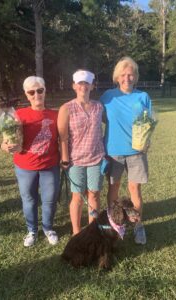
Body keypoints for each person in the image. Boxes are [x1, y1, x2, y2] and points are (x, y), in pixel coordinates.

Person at [1, 76, 60, 247]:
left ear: (45, 91)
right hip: (25, 167)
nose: (36, 95)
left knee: (49, 200)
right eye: (31, 92)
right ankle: (32, 230)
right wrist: (7, 146)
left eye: (39, 90)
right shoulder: (18, 115)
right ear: (26, 95)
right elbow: (6, 141)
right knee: (29, 200)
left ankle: (48, 228)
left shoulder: (55, 115)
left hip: (50, 166)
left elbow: (64, 138)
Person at [100, 56, 153, 245]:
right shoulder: (108, 96)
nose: (127, 78)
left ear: (136, 77)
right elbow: (100, 119)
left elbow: (148, 124)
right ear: (117, 76)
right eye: (123, 74)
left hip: (137, 152)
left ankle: (138, 226)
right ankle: (112, 222)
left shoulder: (143, 97)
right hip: (113, 151)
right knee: (113, 187)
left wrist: (147, 142)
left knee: (134, 189)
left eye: (131, 74)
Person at [57, 70, 105, 235]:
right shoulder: (66, 108)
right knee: (77, 197)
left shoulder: (99, 107)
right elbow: (63, 137)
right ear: (74, 86)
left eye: (86, 83)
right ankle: (76, 232)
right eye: (80, 83)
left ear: (92, 86)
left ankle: (93, 230)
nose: (83, 86)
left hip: (96, 158)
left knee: (94, 195)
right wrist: (64, 158)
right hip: (75, 160)